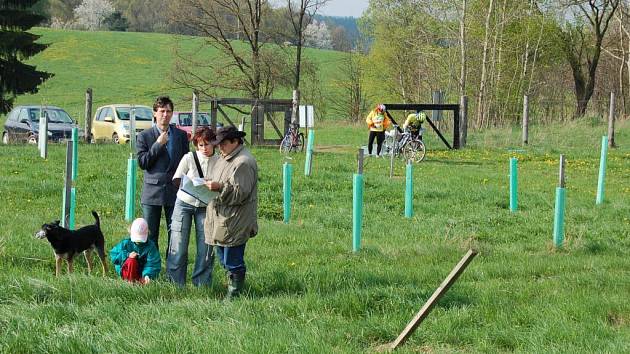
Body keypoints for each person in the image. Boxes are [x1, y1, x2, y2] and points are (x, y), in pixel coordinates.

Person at [204, 126, 258, 299]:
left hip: (235, 220)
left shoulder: (243, 162)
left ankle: (235, 295)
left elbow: (240, 193)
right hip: (222, 218)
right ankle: (232, 287)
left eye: (224, 144)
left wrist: (219, 187)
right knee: (223, 258)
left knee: (233, 260)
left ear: (236, 141)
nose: (220, 148)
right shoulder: (225, 157)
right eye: (218, 144)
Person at [137, 96, 189, 255]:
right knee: (150, 235)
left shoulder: (180, 136)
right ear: (155, 113)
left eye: (168, 111)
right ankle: (152, 270)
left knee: (174, 234)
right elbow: (143, 163)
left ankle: (172, 271)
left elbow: (186, 161)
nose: (165, 114)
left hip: (174, 191)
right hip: (152, 193)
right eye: (162, 111)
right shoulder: (144, 136)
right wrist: (158, 144)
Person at [166, 127, 218, 287]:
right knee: (179, 244)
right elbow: (176, 179)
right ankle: (175, 284)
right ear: (196, 145)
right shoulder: (189, 158)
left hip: (206, 206)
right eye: (200, 145)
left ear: (214, 144)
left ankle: (202, 284)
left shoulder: (220, 161)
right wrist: (189, 183)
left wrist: (212, 185)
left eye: (207, 144)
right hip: (184, 203)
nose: (204, 148)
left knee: (206, 246)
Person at [110, 218, 161, 284]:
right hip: (126, 272)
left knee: (145, 278)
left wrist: (147, 275)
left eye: (140, 240)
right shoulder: (125, 243)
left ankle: (140, 281)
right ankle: (129, 281)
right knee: (131, 260)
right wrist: (127, 255)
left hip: (141, 274)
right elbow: (114, 256)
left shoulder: (150, 247)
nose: (138, 242)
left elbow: (153, 264)